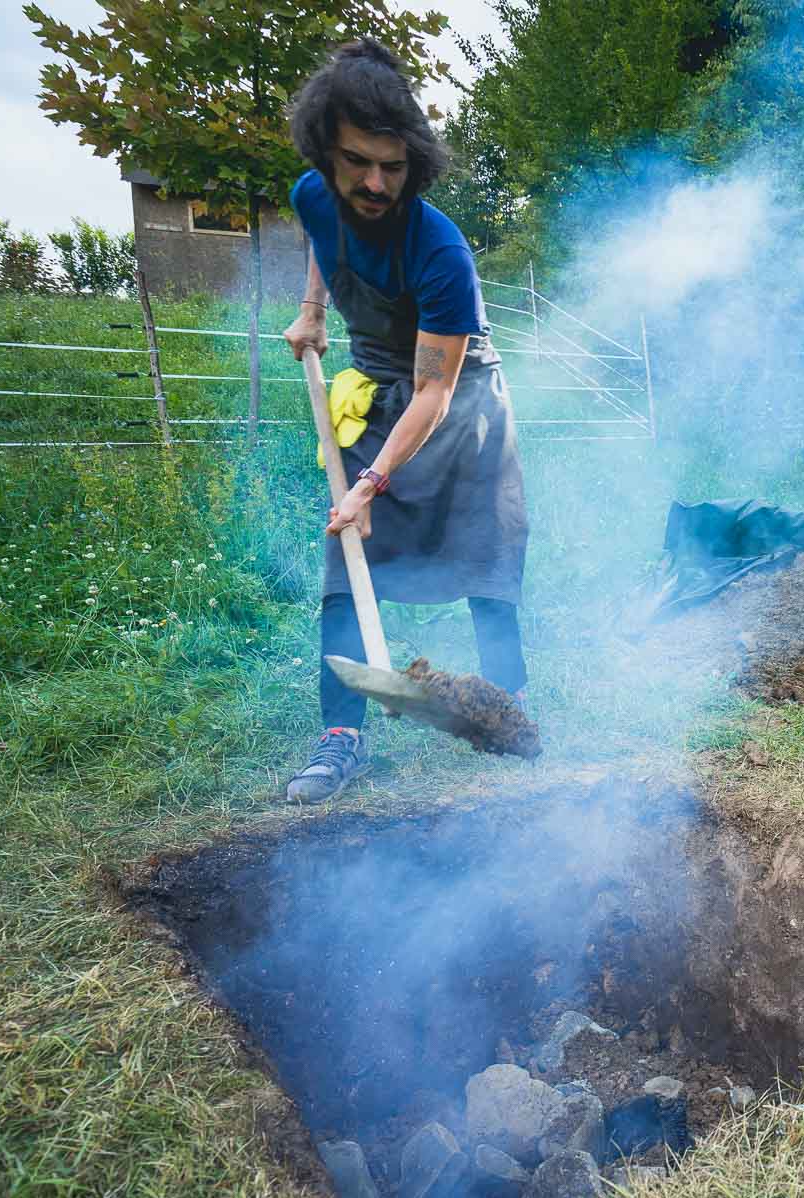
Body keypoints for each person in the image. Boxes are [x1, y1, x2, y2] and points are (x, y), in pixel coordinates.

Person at [279, 37, 529, 804]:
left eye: (394, 166)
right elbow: (326, 236)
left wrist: (374, 480)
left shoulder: (440, 252)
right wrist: (313, 309)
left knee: (487, 562)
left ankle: (509, 714)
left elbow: (436, 393)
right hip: (383, 387)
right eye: (358, 162)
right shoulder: (312, 195)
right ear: (327, 154)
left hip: (461, 401)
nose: (376, 183)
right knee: (346, 565)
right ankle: (341, 736)